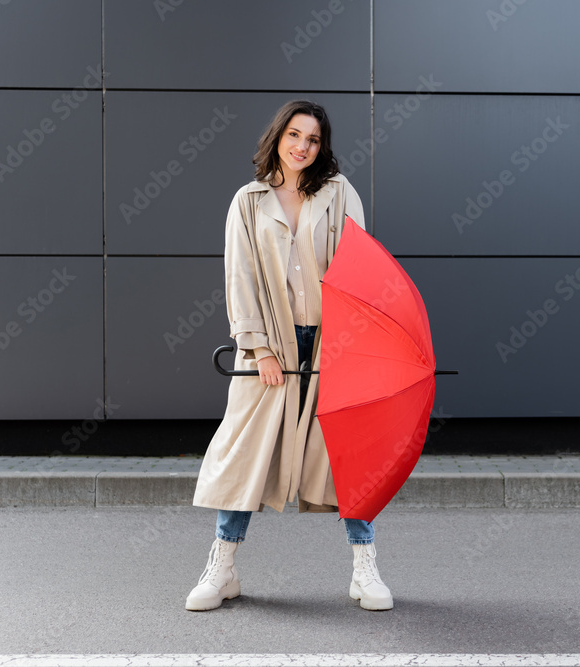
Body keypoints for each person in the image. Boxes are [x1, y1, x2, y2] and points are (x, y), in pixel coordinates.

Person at [186, 100, 393, 612]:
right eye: (295, 135)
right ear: (278, 136)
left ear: (323, 147)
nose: (302, 146)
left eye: (314, 139)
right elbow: (241, 279)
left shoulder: (339, 192)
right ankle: (223, 567)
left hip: (332, 342)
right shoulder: (249, 202)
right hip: (272, 345)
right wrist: (257, 349)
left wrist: (356, 344)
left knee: (346, 451)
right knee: (247, 452)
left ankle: (365, 568)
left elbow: (361, 269)